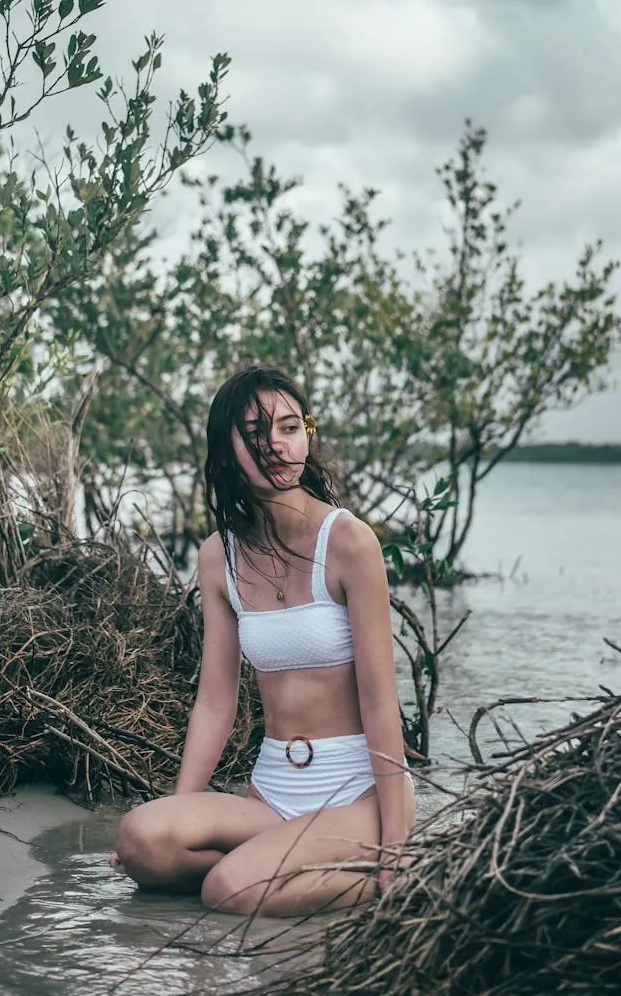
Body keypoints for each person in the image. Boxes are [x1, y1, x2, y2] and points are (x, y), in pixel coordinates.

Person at [113, 364, 415, 918]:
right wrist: (181, 812)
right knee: (139, 841)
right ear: (227, 450)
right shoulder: (218, 556)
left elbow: (380, 701)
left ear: (307, 435)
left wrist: (394, 840)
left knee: (226, 890)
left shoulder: (348, 542)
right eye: (255, 433)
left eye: (289, 427)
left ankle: (378, 867)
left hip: (354, 793)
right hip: (273, 793)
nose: (275, 444)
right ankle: (280, 864)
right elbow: (214, 700)